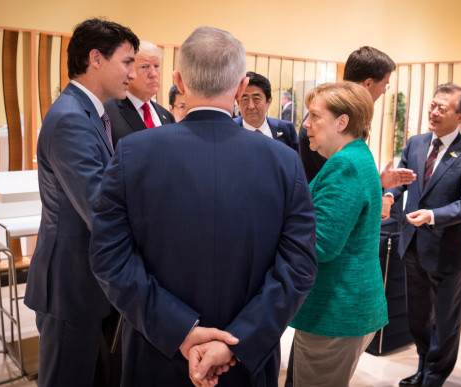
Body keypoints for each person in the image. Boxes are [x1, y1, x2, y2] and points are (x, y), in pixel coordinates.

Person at [89, 26, 317, 387]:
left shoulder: (133, 153)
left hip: (158, 351)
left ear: (178, 81)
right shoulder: (284, 162)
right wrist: (236, 340)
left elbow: (109, 257)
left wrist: (180, 330)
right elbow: (299, 267)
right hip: (246, 360)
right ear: (241, 88)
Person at [23, 18, 139, 386]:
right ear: (96, 59)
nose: (133, 73)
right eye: (127, 62)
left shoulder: (88, 112)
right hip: (70, 285)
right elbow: (98, 206)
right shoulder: (71, 118)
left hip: (88, 282)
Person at [385, 83, 461, 386]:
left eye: (443, 108)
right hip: (413, 244)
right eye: (432, 105)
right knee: (417, 319)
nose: (434, 112)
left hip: (447, 251)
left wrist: (432, 216)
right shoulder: (415, 143)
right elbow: (400, 180)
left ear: (460, 116)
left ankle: (434, 377)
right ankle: (422, 367)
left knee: (444, 321)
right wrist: (389, 196)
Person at [289, 82, 386, 386]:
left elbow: (321, 244)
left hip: (335, 310)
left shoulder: (345, 164)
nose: (306, 125)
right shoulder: (356, 156)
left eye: (315, 116)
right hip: (348, 305)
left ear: (342, 122)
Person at [298, 46, 396, 183]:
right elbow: (340, 181)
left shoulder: (353, 116)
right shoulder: (329, 121)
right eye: (384, 84)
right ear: (368, 83)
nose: (384, 90)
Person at [104, 40, 175, 147]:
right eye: (144, 67)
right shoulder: (107, 112)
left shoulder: (167, 116)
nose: (153, 74)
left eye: (156, 66)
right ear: (128, 72)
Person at [234, 71, 299, 152]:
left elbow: (295, 162)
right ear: (238, 102)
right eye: (245, 99)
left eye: (256, 99)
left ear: (268, 101)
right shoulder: (228, 130)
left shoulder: (286, 129)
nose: (251, 106)